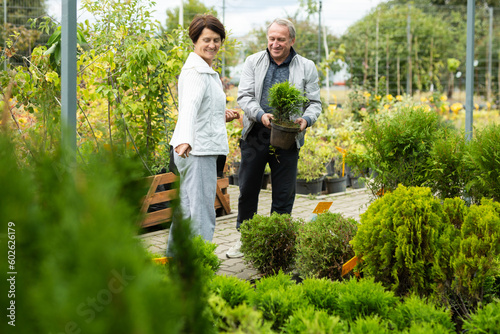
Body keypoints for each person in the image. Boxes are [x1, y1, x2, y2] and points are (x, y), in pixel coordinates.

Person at [226, 18, 322, 258]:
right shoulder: (253, 62)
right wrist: (260, 114)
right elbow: (245, 96)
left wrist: (306, 120)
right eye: (272, 38)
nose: (275, 43)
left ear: (291, 40)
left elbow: (314, 103)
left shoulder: (306, 66)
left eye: (281, 39)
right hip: (256, 133)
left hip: (289, 134)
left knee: (284, 191)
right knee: (248, 187)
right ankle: (246, 237)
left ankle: (278, 241)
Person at [167, 14, 239, 257]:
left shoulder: (205, 70)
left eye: (217, 40)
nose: (212, 45)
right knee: (202, 213)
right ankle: (199, 267)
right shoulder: (197, 72)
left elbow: (202, 109)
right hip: (197, 150)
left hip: (195, 148)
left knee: (186, 210)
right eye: (206, 39)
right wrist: (186, 138)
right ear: (195, 41)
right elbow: (189, 106)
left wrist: (221, 113)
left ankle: (175, 262)